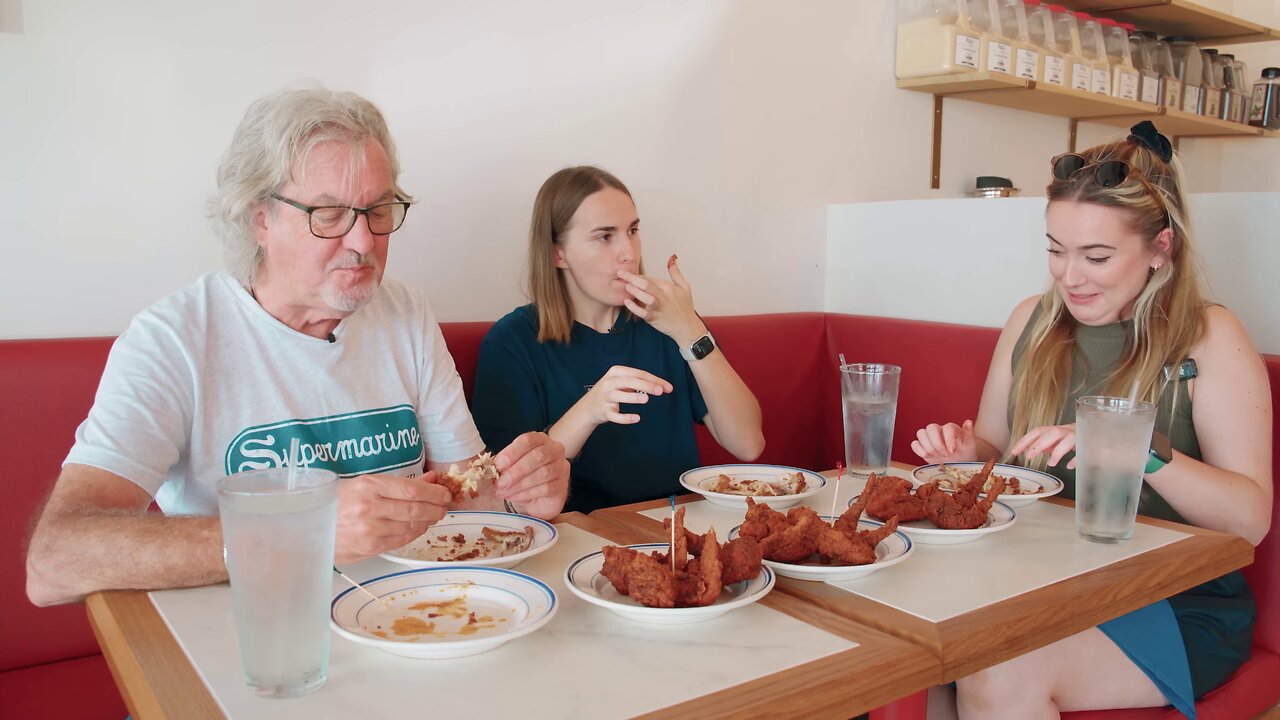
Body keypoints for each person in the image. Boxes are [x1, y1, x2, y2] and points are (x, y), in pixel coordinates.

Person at [25, 86, 570, 607]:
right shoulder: (175, 341)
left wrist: (521, 496)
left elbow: (470, 495)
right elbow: (53, 564)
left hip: (412, 619)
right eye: (328, 214)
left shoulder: (403, 313)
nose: (362, 242)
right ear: (259, 217)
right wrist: (298, 534)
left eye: (378, 210)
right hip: (256, 644)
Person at [911, 122, 1272, 718]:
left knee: (996, 674)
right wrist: (962, 454)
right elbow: (993, 448)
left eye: (1096, 256)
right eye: (1055, 250)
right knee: (925, 653)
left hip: (1173, 602)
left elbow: (1250, 518)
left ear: (1162, 248)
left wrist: (1134, 447)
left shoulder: (1209, 337)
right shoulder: (1031, 319)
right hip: (1039, 580)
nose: (1069, 277)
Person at [470, 166, 765, 513]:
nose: (629, 251)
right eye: (604, 236)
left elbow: (748, 444)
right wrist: (589, 410)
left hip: (674, 528)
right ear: (557, 254)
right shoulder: (512, 342)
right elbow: (506, 493)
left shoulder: (670, 323)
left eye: (633, 230)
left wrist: (691, 330)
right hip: (573, 538)